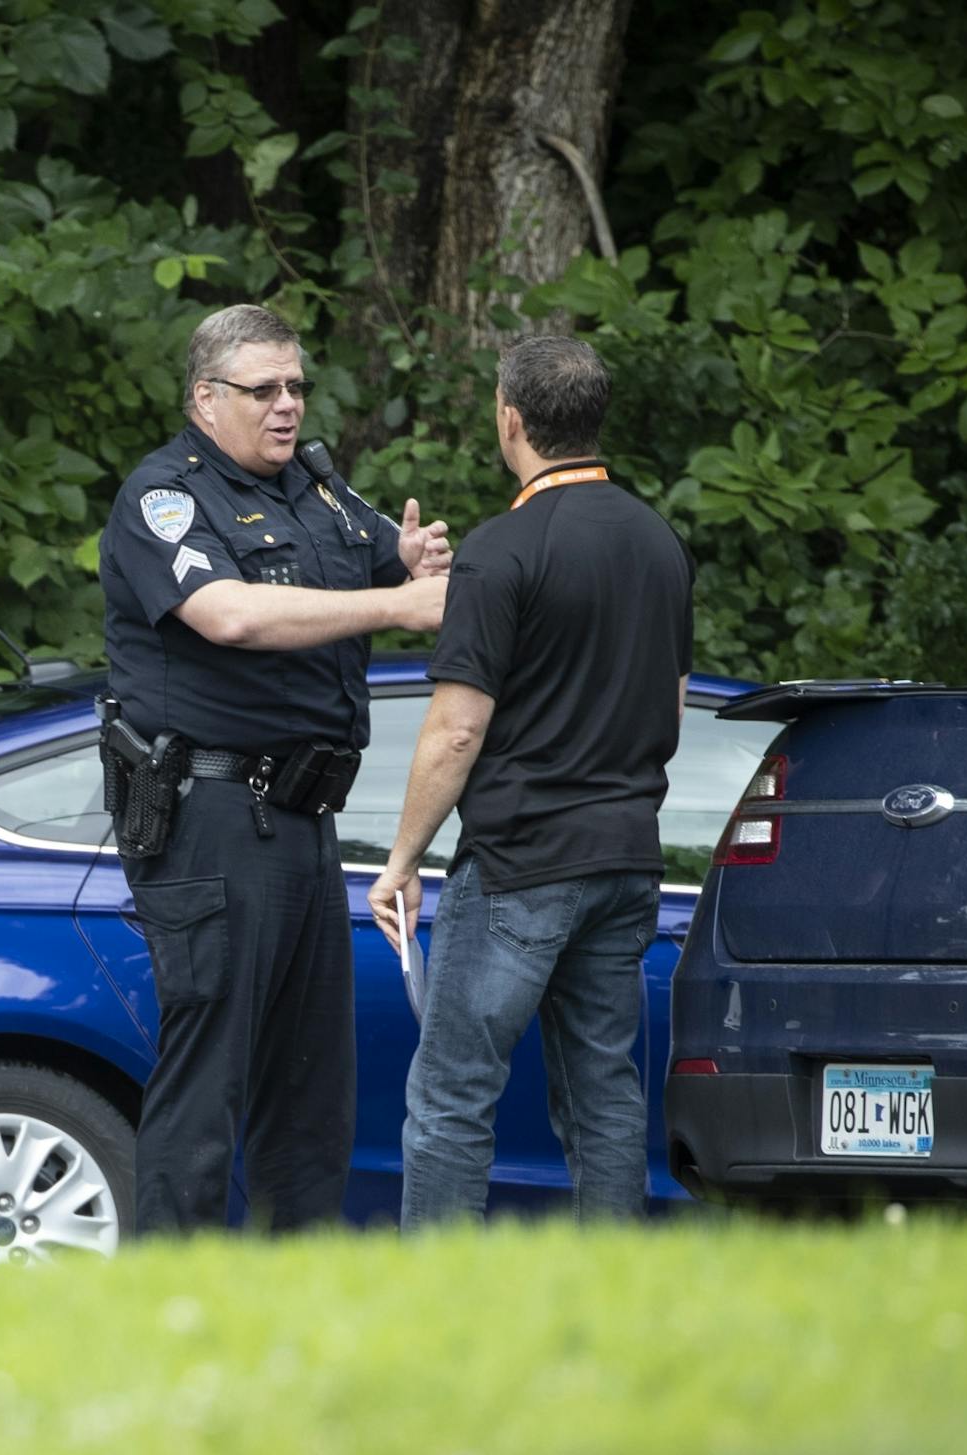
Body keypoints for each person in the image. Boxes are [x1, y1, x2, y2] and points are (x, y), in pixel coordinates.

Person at [99, 303, 452, 1233]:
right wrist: (398, 602)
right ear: (207, 399)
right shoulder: (164, 495)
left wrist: (411, 560)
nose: (288, 405)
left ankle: (294, 1298)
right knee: (208, 1080)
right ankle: (177, 1300)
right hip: (209, 817)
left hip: (303, 819)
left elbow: (398, 564)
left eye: (296, 385)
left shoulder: (321, 489)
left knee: (312, 1090)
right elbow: (230, 616)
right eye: (265, 390)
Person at [367, 334, 695, 1230]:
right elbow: (670, 705)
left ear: (510, 419)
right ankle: (611, 1289)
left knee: (451, 1096)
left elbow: (456, 727)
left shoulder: (501, 548)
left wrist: (401, 859)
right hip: (627, 857)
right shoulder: (659, 543)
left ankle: (443, 1303)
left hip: (518, 861)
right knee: (604, 1091)